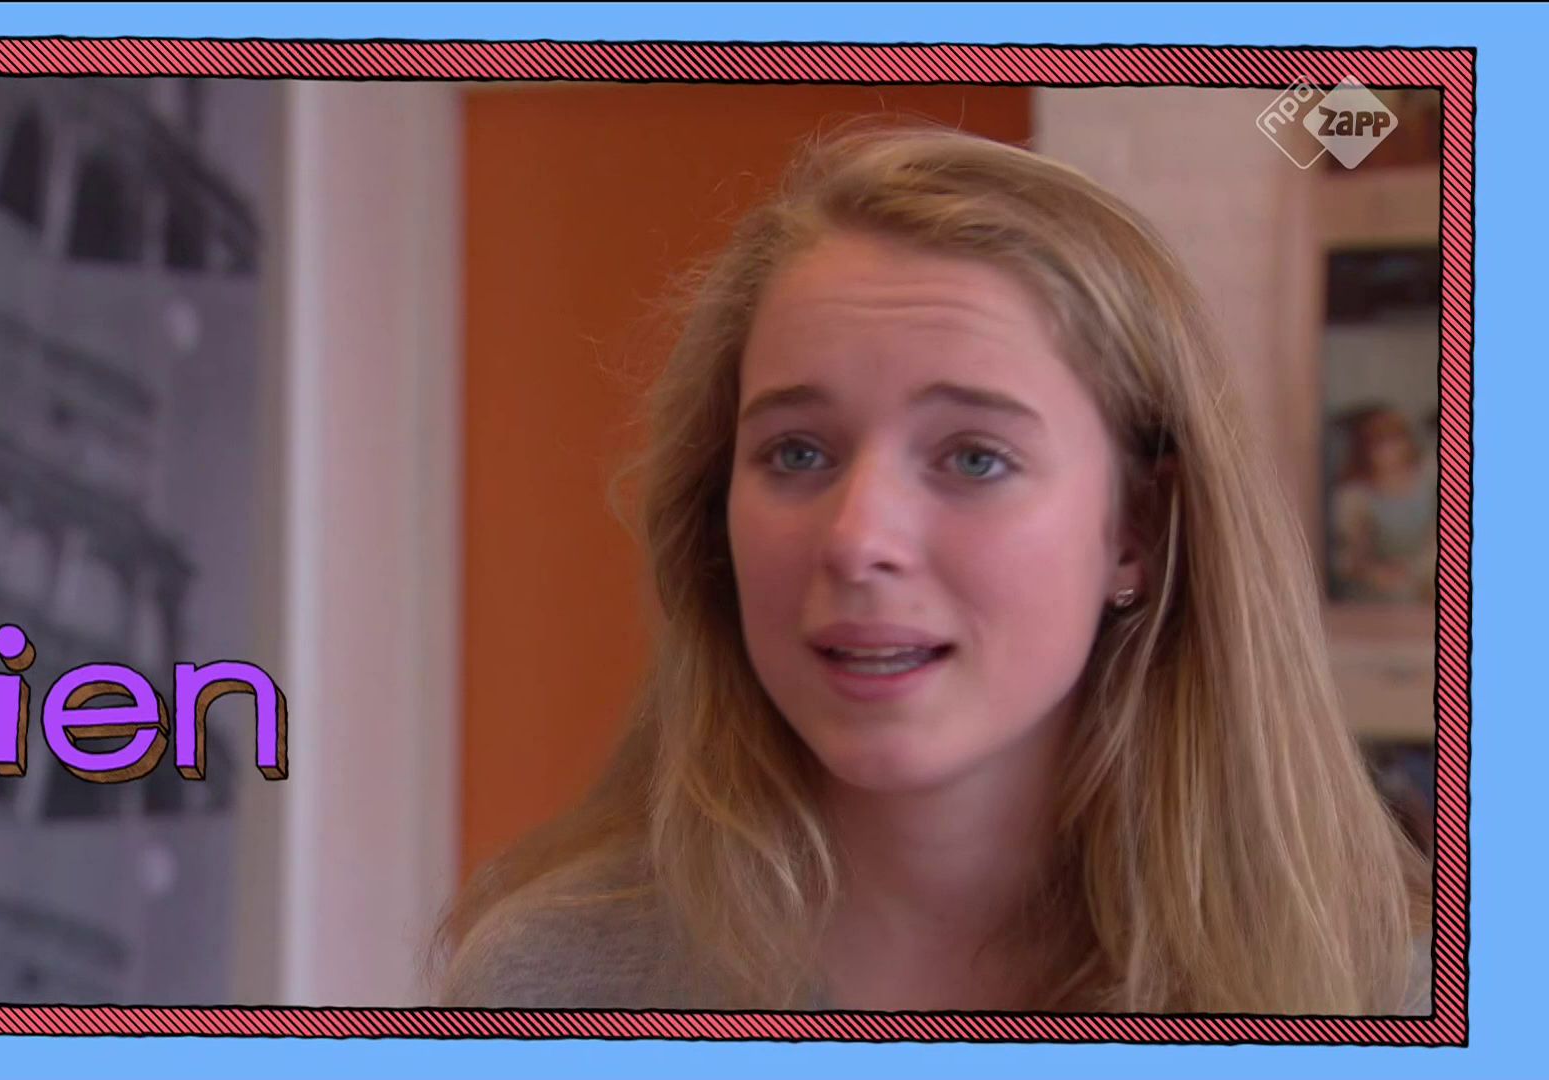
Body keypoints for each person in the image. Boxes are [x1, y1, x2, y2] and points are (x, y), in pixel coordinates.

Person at [430, 127, 1433, 1015]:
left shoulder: (1375, 986)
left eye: (975, 458)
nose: (856, 538)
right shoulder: (561, 983)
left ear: (1138, 530)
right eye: (797, 452)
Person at [1330, 406, 1437, 605]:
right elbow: (1347, 556)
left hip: (1426, 575)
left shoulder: (1430, 476)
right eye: (1379, 444)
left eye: (1395, 440)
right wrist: (1374, 572)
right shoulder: (1354, 497)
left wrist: (1419, 570)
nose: (1389, 450)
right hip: (1378, 590)